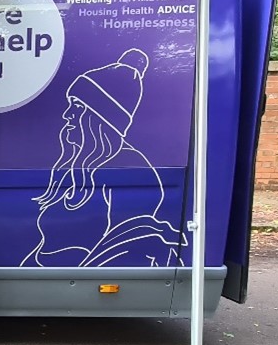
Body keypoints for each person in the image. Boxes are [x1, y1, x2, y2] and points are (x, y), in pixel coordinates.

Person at [23, 49, 184, 267]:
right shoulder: (80, 167)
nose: (67, 114)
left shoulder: (130, 167)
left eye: (77, 106)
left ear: (101, 118)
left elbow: (129, 245)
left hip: (84, 290)